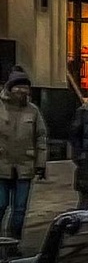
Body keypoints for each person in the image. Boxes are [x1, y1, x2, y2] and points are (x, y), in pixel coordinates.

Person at [0, 67, 47, 239]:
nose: (21, 90)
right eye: (18, 86)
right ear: (10, 87)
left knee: (20, 209)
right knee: (1, 205)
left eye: (25, 87)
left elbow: (41, 137)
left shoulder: (32, 110)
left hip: (25, 166)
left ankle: (13, 242)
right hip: (2, 165)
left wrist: (40, 164)